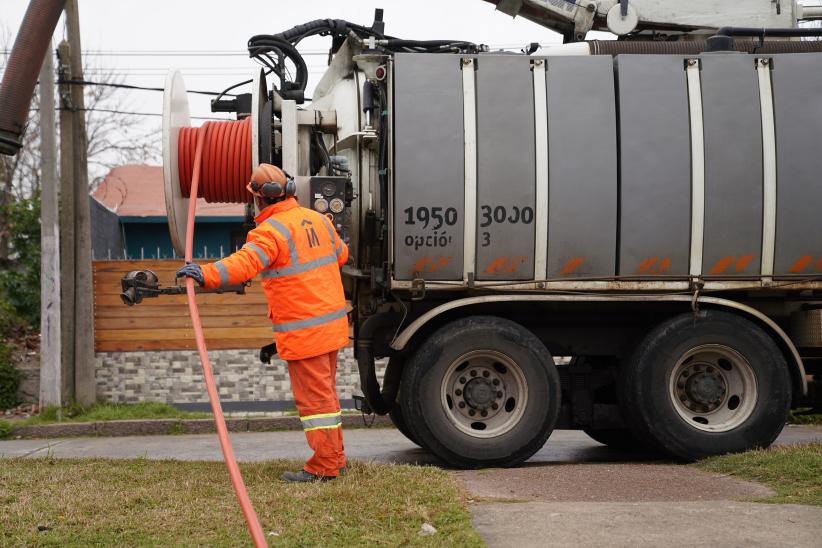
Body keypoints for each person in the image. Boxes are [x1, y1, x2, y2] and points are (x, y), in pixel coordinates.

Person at [177, 163, 349, 483]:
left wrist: (206, 274)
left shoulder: (270, 232)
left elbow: (245, 264)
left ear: (259, 199)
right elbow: (341, 255)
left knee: (316, 405)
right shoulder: (317, 220)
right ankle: (334, 458)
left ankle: (325, 466)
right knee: (326, 397)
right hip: (331, 328)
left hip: (306, 333)